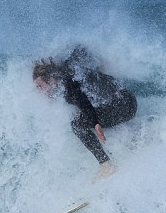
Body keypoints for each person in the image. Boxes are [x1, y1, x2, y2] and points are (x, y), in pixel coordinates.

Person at [33, 47, 137, 178]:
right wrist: (100, 64)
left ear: (51, 80)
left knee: (77, 125)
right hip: (127, 98)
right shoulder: (68, 69)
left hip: (124, 106)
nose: (39, 91)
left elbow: (83, 103)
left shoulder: (68, 87)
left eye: (40, 86)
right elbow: (80, 50)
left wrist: (95, 123)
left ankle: (106, 166)